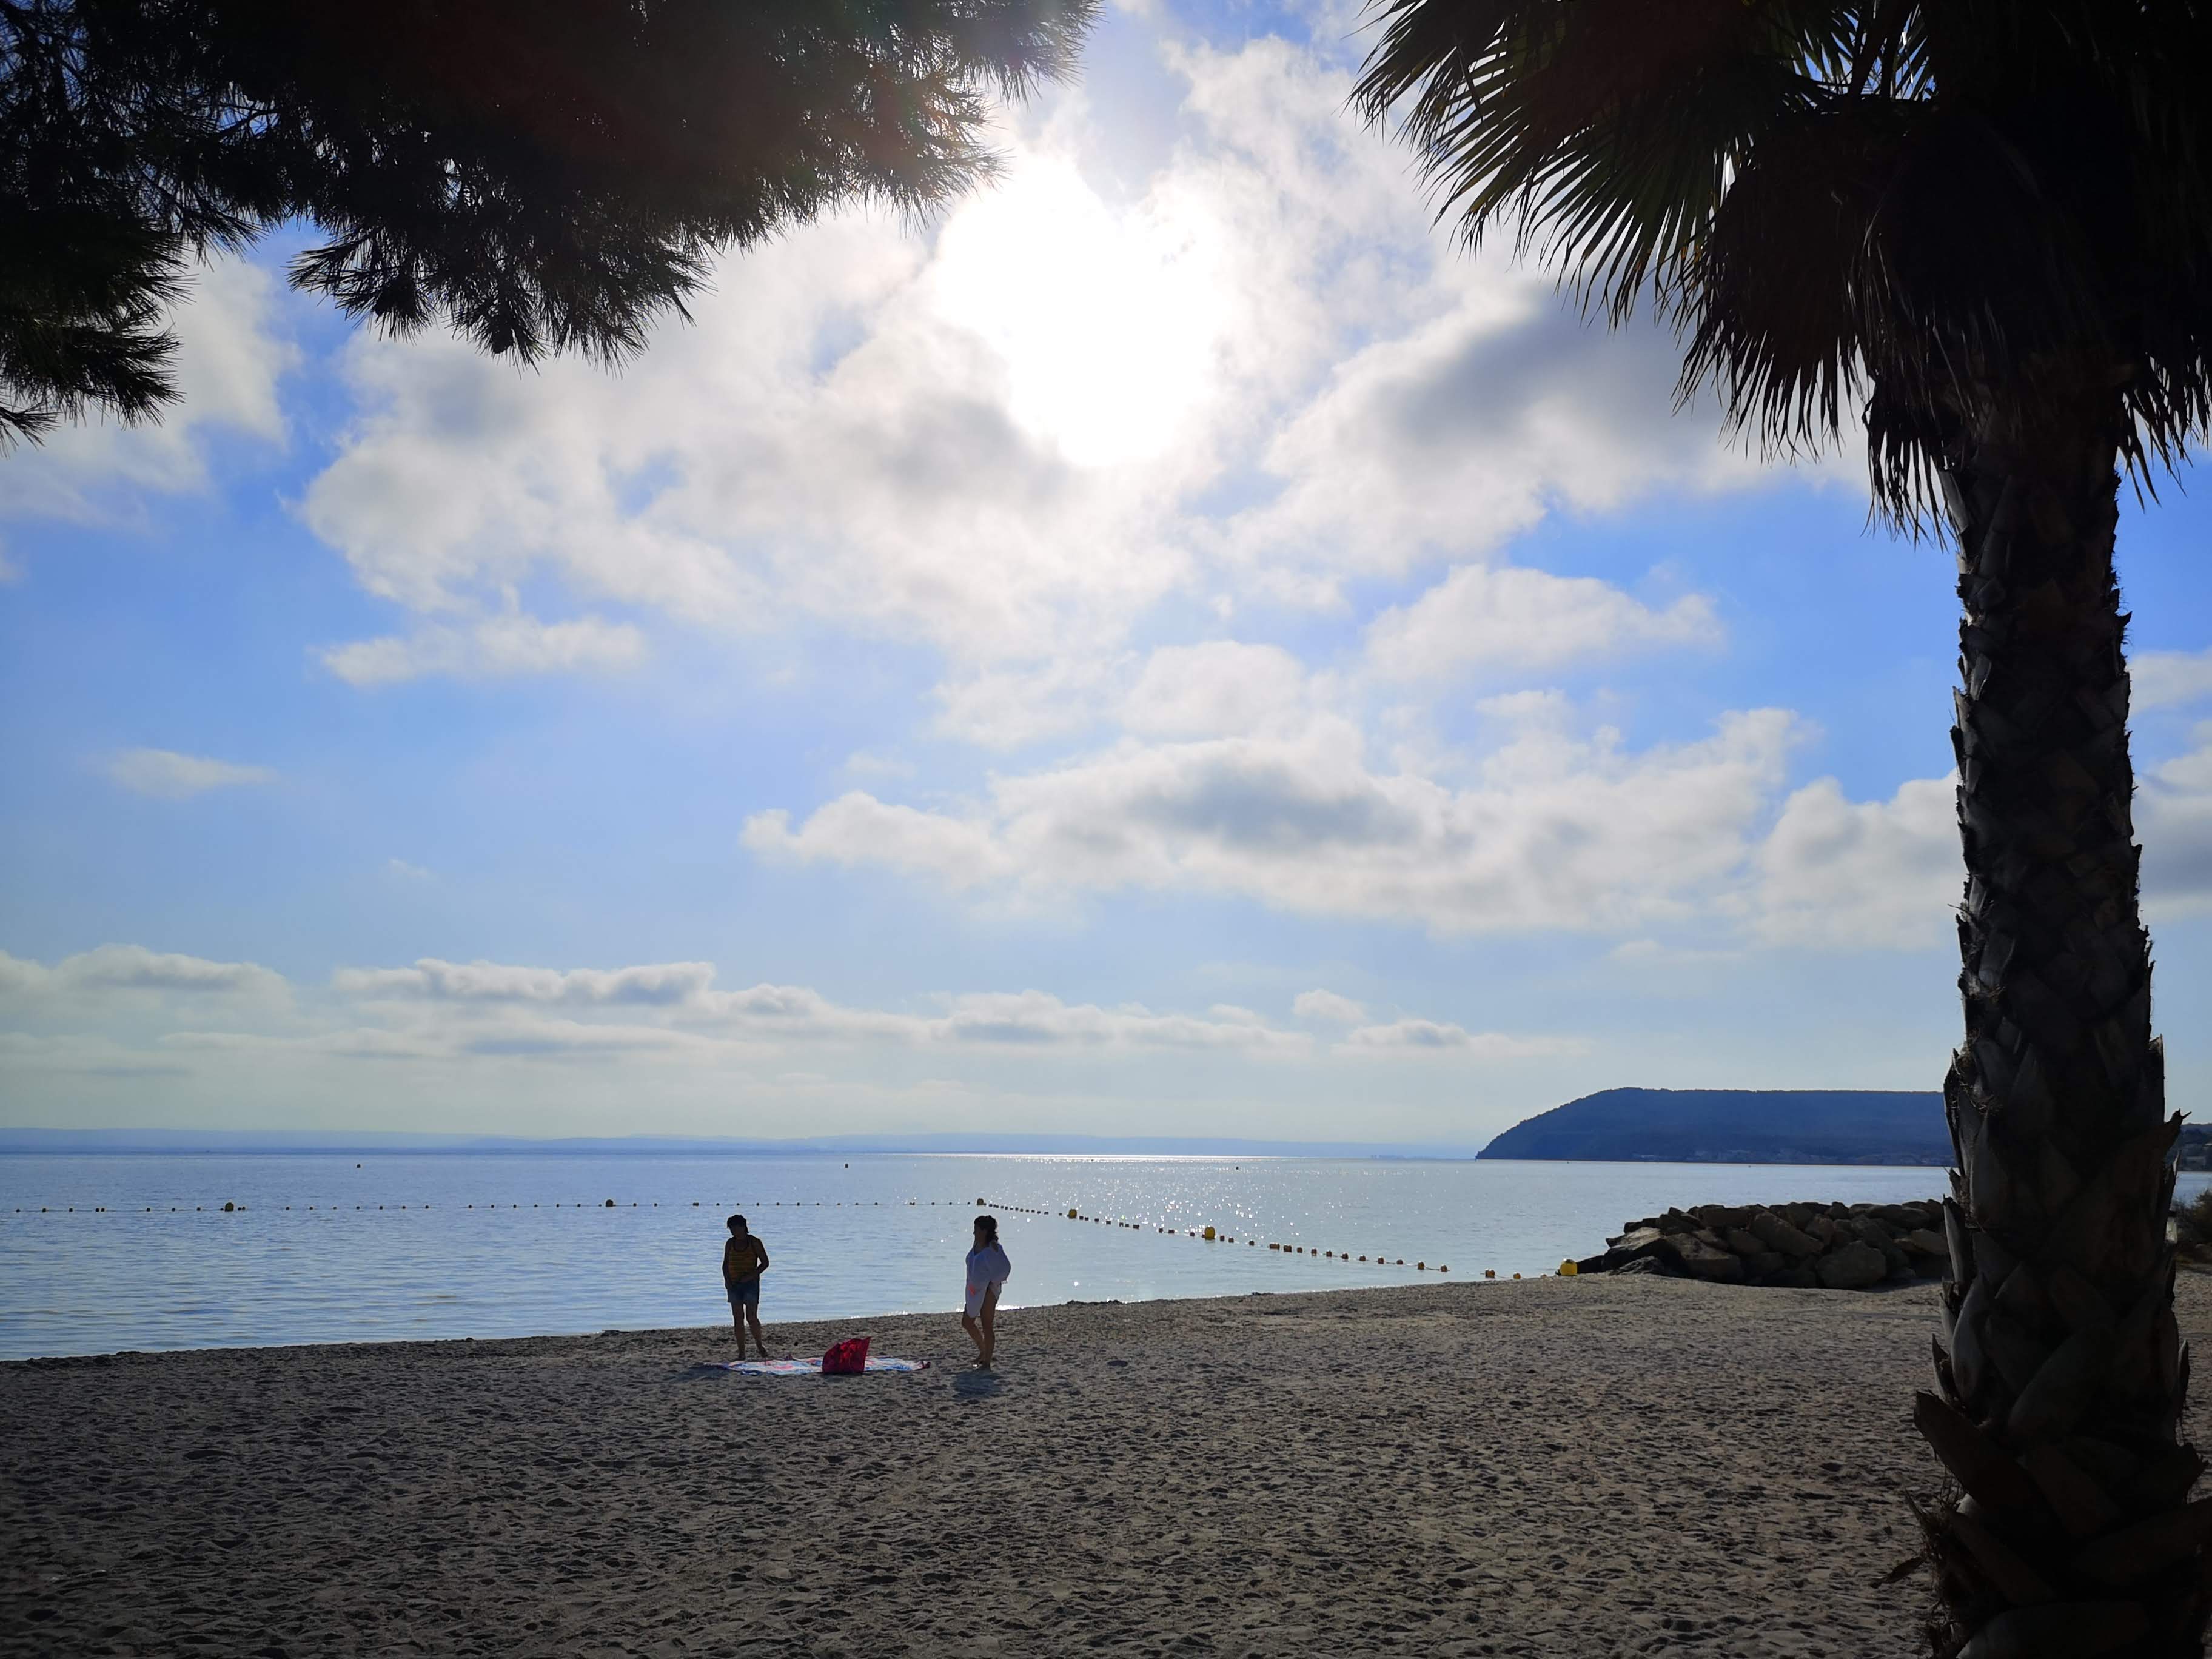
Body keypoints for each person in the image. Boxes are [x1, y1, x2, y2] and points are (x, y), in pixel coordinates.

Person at [961, 1213, 1011, 1369]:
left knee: (987, 1324)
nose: (974, 1232)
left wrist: (992, 1282)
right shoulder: (977, 1244)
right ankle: (983, 1350)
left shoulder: (993, 1248)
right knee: (967, 1322)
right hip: (974, 1289)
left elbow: (1005, 1268)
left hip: (989, 1289)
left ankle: (987, 1362)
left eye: (976, 1229)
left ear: (984, 1231)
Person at [722, 1214, 770, 1358]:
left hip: (751, 1284)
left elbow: (765, 1263)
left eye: (735, 1228)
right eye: (731, 1229)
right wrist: (727, 1281)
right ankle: (742, 1352)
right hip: (734, 1284)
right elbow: (725, 1264)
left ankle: (759, 1345)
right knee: (738, 1318)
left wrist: (751, 1276)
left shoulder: (754, 1242)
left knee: (751, 1317)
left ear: (743, 1227)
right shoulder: (730, 1243)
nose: (733, 1231)